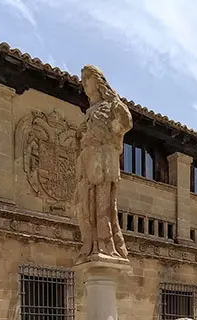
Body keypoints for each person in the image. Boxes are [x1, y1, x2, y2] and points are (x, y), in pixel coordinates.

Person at [74, 65, 133, 260]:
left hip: (104, 162)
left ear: (98, 82)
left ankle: (105, 244)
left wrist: (112, 134)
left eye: (87, 79)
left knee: (103, 206)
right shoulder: (90, 111)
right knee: (85, 206)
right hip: (88, 163)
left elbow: (125, 122)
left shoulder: (111, 105)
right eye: (82, 80)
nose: (84, 84)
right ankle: (91, 244)